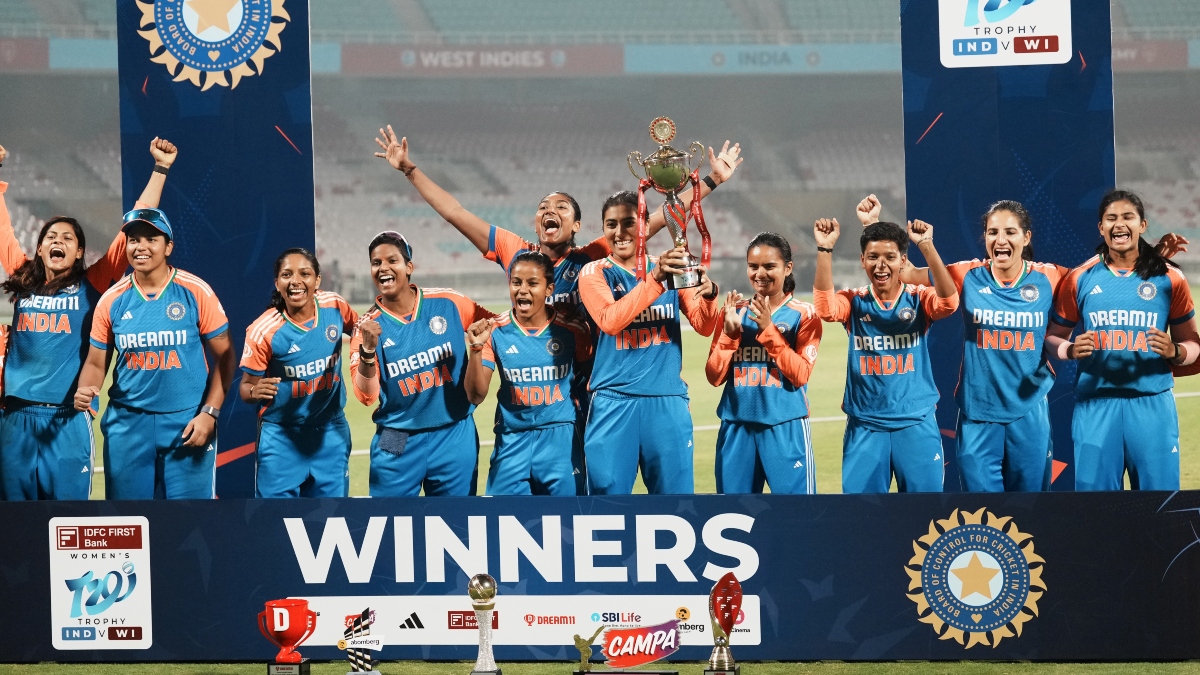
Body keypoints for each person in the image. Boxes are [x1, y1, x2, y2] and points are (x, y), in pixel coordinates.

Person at [855, 194, 1189, 491]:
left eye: (1010, 232)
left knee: (1031, 511)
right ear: (985, 239)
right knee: (982, 513)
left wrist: (1151, 255)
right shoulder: (966, 273)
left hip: (1029, 413)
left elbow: (1103, 279)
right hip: (977, 415)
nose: (1001, 239)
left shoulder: (1052, 276)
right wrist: (873, 226)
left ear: (1026, 237)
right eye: (993, 232)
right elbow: (902, 271)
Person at [0, 138, 177, 501]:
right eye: (51, 236)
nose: (58, 240)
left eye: (68, 237)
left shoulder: (92, 284)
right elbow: (2, 227)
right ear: (39, 247)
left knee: (67, 519)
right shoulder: (22, 277)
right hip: (14, 419)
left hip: (68, 420)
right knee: (12, 526)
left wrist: (160, 169)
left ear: (79, 251)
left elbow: (134, 226)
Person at [74, 208, 236, 499]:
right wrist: (88, 390)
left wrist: (209, 413)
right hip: (128, 426)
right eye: (134, 240)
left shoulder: (195, 291)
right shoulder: (112, 300)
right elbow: (97, 363)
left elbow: (225, 356)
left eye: (151, 239)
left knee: (192, 526)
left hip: (187, 423)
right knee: (129, 524)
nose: (141, 247)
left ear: (168, 246)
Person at [1048, 189, 1200, 491]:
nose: (1120, 224)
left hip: (1152, 405)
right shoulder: (1080, 278)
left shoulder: (1170, 278)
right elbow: (1053, 336)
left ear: (1142, 225)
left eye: (1128, 217)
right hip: (1096, 406)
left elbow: (1194, 346)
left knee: (1160, 505)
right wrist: (1068, 349)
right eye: (1111, 218)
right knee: (1097, 510)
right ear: (1101, 227)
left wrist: (1175, 350)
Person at [577, 191, 721, 495]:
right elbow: (610, 320)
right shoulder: (595, 272)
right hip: (614, 402)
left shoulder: (670, 266)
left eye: (629, 223)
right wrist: (655, 279)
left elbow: (704, 325)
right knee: (607, 510)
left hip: (667, 402)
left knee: (676, 505)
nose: (620, 233)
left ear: (643, 225)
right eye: (611, 224)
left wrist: (709, 295)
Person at [813, 216, 959, 493]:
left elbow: (949, 303)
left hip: (915, 423)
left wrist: (926, 245)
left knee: (924, 517)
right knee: (862, 519)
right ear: (862, 260)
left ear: (903, 261)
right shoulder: (854, 300)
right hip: (866, 427)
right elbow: (826, 309)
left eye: (890, 257)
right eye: (873, 257)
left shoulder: (918, 297)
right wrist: (824, 250)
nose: (881, 265)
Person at [350, 232, 495, 497]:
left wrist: (482, 358)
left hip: (454, 432)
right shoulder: (367, 327)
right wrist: (368, 351)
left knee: (458, 525)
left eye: (391, 260)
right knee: (390, 526)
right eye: (375, 262)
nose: (383, 268)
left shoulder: (448, 302)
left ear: (408, 267)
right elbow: (366, 395)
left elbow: (496, 325)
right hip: (397, 437)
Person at [464, 251, 592, 495]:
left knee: (568, 523)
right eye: (516, 282)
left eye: (532, 283)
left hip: (561, 439)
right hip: (512, 441)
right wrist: (476, 349)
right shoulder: (495, 331)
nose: (522, 290)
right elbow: (475, 396)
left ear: (549, 289)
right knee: (503, 522)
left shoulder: (572, 329)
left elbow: (590, 381)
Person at [705, 233, 823, 494]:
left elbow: (800, 374)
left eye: (770, 266)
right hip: (736, 426)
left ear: (787, 268)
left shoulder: (803, 315)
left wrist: (769, 330)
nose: (760, 273)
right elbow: (714, 376)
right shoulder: (734, 312)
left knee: (796, 515)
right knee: (732, 514)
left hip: (785, 425)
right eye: (753, 266)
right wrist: (729, 334)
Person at [240, 248, 358, 498]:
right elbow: (245, 388)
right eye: (286, 274)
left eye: (304, 273)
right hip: (282, 438)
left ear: (317, 280)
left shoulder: (335, 306)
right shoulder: (263, 330)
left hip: (331, 433)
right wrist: (254, 390)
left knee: (333, 521)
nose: (295, 281)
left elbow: (358, 331)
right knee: (275, 524)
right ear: (277, 283)